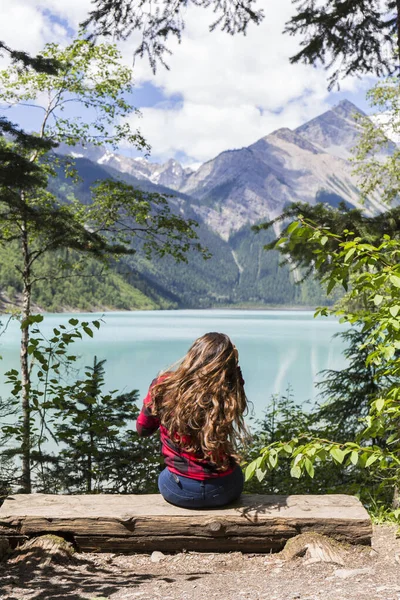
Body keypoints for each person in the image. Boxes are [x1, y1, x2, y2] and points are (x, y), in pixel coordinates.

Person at [136, 332, 248, 508]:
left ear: (193, 355)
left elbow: (143, 429)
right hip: (225, 488)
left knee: (165, 474)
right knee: (234, 471)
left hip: (178, 489)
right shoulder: (227, 392)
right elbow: (239, 407)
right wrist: (234, 372)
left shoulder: (163, 386)